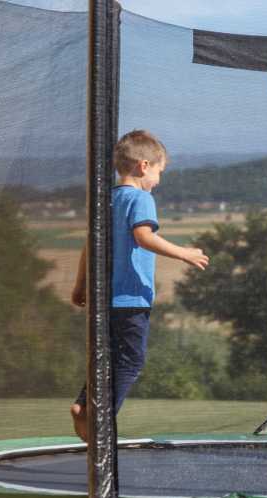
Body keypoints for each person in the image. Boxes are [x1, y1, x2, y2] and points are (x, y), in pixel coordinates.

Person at [70, 129, 209, 441]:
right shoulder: (141, 199)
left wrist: (80, 285)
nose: (159, 180)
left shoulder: (106, 200)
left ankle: (83, 405)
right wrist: (184, 253)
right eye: (160, 172)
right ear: (144, 166)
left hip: (100, 299)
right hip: (130, 299)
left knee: (105, 358)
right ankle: (98, 417)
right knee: (131, 361)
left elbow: (88, 246)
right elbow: (143, 237)